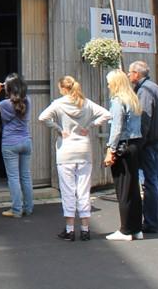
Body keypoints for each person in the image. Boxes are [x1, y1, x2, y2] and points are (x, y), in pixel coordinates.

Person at [38, 76, 111, 241]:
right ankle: (85, 229)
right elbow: (107, 114)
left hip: (65, 151)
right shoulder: (86, 103)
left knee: (68, 191)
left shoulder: (58, 103)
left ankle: (70, 229)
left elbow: (42, 117)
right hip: (84, 151)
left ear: (63, 88)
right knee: (84, 191)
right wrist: (90, 126)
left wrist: (58, 128)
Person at [0, 73, 34, 218]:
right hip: (26, 141)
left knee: (13, 177)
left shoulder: (5, 104)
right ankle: (28, 208)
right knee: (25, 176)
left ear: (8, 89)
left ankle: (16, 209)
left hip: (10, 143)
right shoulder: (28, 100)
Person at [104, 68, 143, 241]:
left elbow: (116, 128)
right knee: (133, 187)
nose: (107, 85)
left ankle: (125, 230)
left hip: (123, 145)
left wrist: (110, 149)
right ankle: (136, 228)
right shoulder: (133, 98)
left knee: (123, 189)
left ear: (115, 83)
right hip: (135, 144)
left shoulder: (118, 100)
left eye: (108, 82)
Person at [128, 60, 158, 234]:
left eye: (130, 73)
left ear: (137, 74)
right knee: (157, 180)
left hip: (149, 142)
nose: (129, 76)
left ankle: (151, 221)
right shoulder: (155, 87)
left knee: (151, 182)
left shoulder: (145, 91)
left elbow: (145, 119)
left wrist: (138, 143)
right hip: (157, 139)